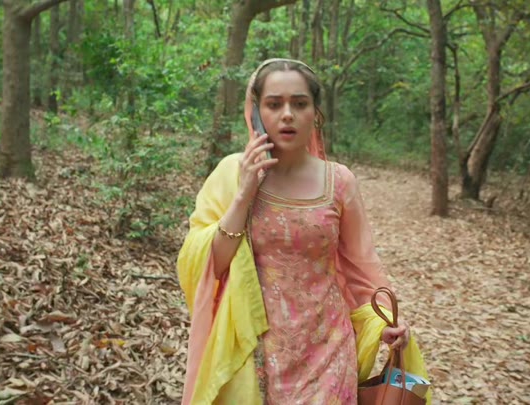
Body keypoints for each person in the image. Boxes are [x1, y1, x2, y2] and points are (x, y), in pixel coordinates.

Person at [177, 58, 428, 404]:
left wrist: (384, 322)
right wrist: (244, 193)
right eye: (274, 104)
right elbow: (209, 266)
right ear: (256, 113)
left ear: (316, 113)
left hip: (329, 352)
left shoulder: (339, 182)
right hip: (253, 352)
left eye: (299, 103)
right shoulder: (232, 174)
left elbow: (363, 268)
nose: (287, 115)